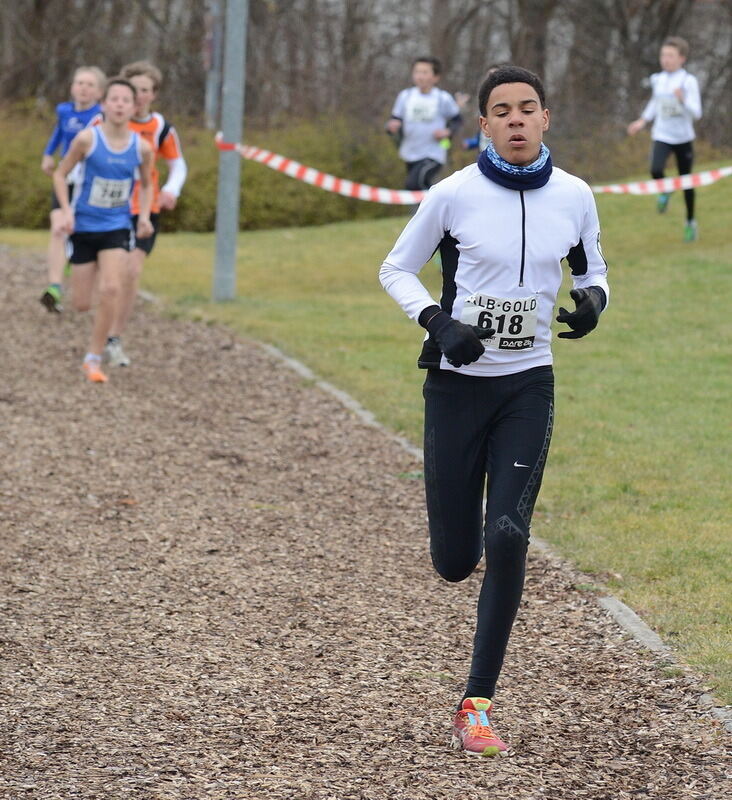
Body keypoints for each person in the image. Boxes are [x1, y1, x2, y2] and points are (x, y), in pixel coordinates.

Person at [379, 66, 609, 756]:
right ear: (482, 124)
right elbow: (395, 267)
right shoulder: (452, 194)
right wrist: (437, 323)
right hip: (455, 390)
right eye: (501, 111)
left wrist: (594, 303)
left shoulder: (575, 196)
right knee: (455, 560)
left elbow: (592, 271)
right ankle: (462, 539)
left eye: (527, 109)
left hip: (526, 386)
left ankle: (476, 703)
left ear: (545, 119)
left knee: (509, 532)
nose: (515, 119)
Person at [52, 77, 154, 383]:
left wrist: (145, 216)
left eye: (126, 100)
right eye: (115, 99)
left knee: (112, 288)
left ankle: (93, 358)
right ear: (104, 104)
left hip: (117, 226)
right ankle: (81, 273)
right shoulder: (87, 139)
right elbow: (60, 174)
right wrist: (66, 210)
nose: (120, 105)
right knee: (82, 304)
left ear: (135, 107)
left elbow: (147, 184)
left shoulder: (142, 147)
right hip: (83, 225)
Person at [104, 60, 187, 368]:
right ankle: (102, 325)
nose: (139, 96)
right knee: (110, 276)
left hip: (144, 209)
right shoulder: (105, 122)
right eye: (134, 90)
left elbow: (177, 164)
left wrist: (171, 190)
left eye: (145, 91)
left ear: (153, 94)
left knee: (132, 271)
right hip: (108, 207)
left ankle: (115, 338)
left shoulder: (160, 127)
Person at [40, 66, 106, 312]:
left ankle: (74, 265)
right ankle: (54, 287)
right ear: (72, 87)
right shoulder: (64, 111)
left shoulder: (102, 116)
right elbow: (58, 133)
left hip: (90, 185)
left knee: (78, 232)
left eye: (90, 84)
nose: (83, 88)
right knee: (58, 226)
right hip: (65, 180)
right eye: (79, 83)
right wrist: (48, 155)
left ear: (99, 92)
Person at [627, 36, 702, 242]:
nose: (665, 59)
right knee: (655, 169)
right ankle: (666, 190)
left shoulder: (689, 81)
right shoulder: (658, 79)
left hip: (683, 138)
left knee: (687, 181)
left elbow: (697, 113)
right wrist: (642, 121)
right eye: (663, 55)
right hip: (662, 135)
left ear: (682, 59)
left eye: (670, 56)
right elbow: (655, 103)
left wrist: (683, 99)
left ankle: (690, 222)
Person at [385, 56, 462, 191]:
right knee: (416, 188)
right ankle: (431, 209)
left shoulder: (442, 98)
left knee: (414, 184)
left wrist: (447, 132)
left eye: (425, 72)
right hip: (410, 151)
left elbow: (457, 120)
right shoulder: (405, 96)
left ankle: (431, 209)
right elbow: (395, 119)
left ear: (435, 77)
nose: (420, 76)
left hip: (433, 153)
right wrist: (392, 126)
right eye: (417, 72)